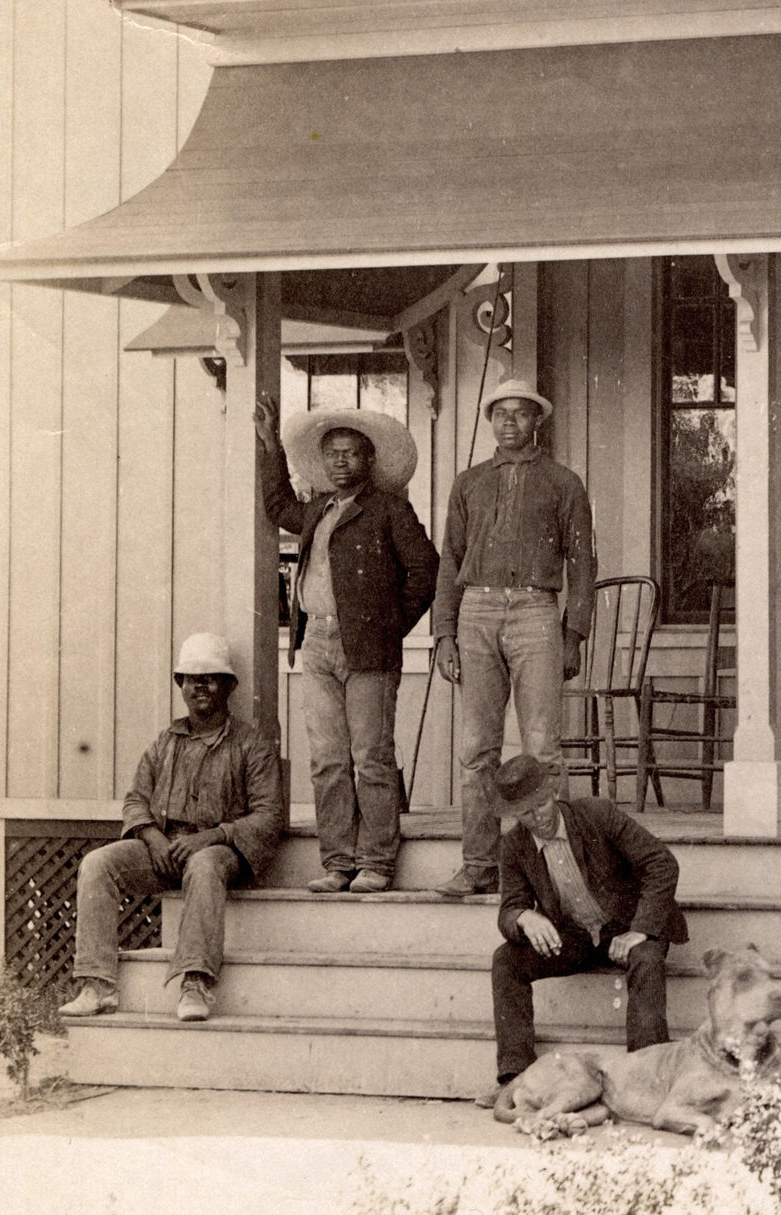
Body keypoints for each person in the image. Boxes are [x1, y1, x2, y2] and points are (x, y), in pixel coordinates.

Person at [255, 395, 439, 895]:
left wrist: (388, 624)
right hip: (315, 641)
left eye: (351, 452)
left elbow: (426, 570)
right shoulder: (317, 509)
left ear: (370, 460)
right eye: (332, 452)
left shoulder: (389, 510)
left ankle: (376, 862)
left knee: (371, 755)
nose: (341, 460)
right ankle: (337, 863)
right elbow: (277, 506)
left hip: (369, 648)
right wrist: (270, 445)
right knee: (328, 759)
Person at [58, 634, 284, 1023]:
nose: (200, 687)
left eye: (211, 678)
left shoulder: (250, 744)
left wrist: (212, 836)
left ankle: (195, 983)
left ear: (228, 686)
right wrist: (153, 837)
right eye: (191, 679)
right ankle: (98, 985)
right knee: (97, 864)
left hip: (221, 852)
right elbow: (135, 800)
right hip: (165, 848)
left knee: (204, 864)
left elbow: (268, 816)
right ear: (181, 686)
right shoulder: (166, 742)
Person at [431, 379, 597, 898]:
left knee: (543, 747)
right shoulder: (469, 483)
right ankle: (479, 864)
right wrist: (444, 632)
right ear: (489, 421)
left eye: (520, 414)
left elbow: (583, 563)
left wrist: (574, 633)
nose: (510, 423)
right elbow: (450, 558)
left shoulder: (563, 482)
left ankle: (557, 867)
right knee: (478, 747)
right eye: (500, 414)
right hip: (476, 609)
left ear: (536, 421)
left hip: (535, 611)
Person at [481, 752, 686, 1106]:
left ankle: (648, 1074)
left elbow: (662, 863)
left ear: (554, 791)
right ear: (515, 815)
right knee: (506, 960)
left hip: (627, 927)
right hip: (574, 936)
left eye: (542, 804)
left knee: (648, 958)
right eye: (526, 813)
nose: (538, 817)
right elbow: (508, 908)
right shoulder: (514, 846)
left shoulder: (596, 815)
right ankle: (515, 1078)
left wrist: (640, 928)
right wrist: (522, 918)